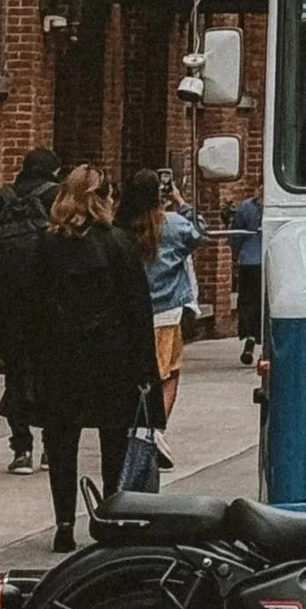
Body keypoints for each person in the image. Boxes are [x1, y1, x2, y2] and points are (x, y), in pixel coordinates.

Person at [29, 166, 158, 551]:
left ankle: (64, 523)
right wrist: (145, 369)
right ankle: (110, 516)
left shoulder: (47, 245)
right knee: (114, 443)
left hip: (61, 360)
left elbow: (32, 307)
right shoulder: (120, 243)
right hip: (112, 360)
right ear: (103, 197)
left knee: (62, 444)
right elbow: (139, 310)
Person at [0, 147, 60, 474]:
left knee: (16, 369)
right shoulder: (57, 197)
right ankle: (52, 448)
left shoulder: (1, 198)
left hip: (8, 303)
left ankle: (21, 447)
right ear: (54, 171)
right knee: (53, 372)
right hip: (49, 303)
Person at [120, 170, 206, 461]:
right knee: (168, 374)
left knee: (136, 375)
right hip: (166, 312)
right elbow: (198, 233)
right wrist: (181, 202)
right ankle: (155, 429)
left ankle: (134, 427)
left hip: (132, 313)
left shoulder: (121, 227)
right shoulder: (173, 224)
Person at [228, 191, 264, 365]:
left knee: (248, 301)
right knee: (264, 304)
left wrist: (236, 252)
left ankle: (249, 336)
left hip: (249, 262)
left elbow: (236, 234)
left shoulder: (246, 207)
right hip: (270, 261)